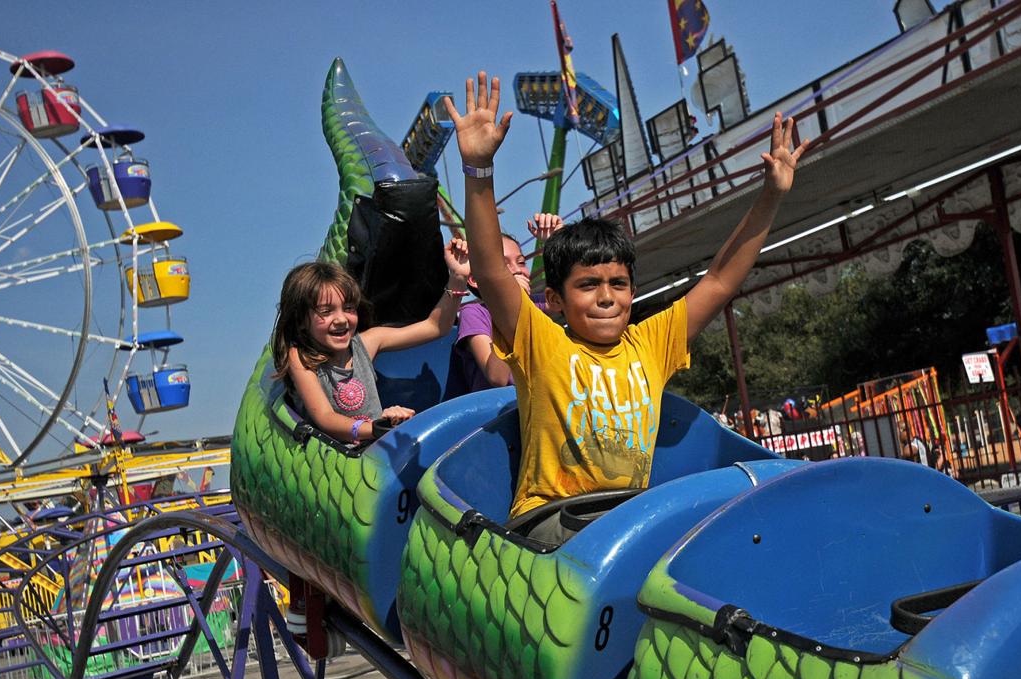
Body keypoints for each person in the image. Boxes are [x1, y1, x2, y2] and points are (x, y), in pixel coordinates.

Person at [445, 71, 807, 544]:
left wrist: (771, 196)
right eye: (588, 284)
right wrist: (478, 171)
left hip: (631, 522)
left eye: (618, 283)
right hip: (555, 522)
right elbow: (492, 271)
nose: (606, 296)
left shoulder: (649, 345)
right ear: (554, 299)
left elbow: (719, 281)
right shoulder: (542, 341)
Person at [273, 254, 463, 444]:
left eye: (348, 308)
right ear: (301, 320)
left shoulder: (367, 343)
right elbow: (325, 418)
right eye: (326, 312)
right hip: (335, 455)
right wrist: (374, 428)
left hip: (373, 448)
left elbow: (435, 327)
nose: (341, 319)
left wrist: (457, 278)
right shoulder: (300, 357)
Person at [444, 215, 564, 398]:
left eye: (522, 262)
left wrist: (558, 243)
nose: (518, 269)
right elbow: (498, 378)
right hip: (498, 412)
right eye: (503, 264)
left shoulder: (538, 303)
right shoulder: (474, 313)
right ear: (475, 280)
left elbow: (576, 301)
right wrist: (516, 305)